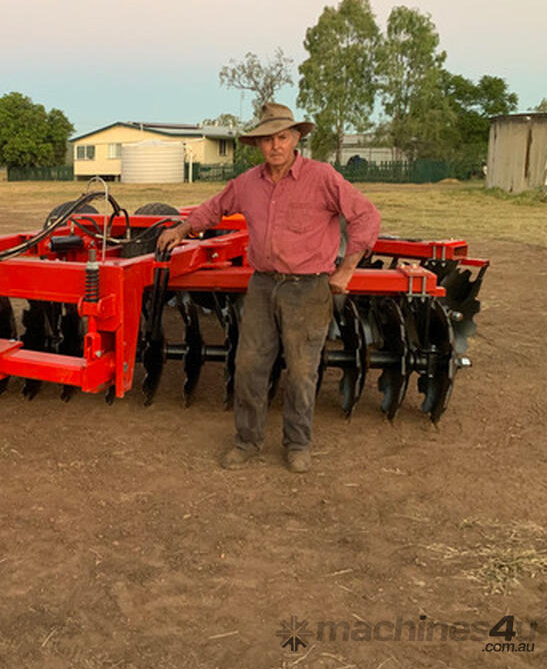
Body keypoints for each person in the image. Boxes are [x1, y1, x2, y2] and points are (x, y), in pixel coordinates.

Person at [156, 103, 380, 473]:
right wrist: (181, 230)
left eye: (282, 137)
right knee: (249, 366)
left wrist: (346, 271)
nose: (275, 146)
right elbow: (214, 208)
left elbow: (366, 216)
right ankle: (247, 442)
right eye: (267, 140)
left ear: (296, 139)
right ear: (258, 144)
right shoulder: (247, 183)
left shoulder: (322, 177)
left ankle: (297, 444)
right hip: (262, 286)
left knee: (302, 370)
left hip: (308, 289)